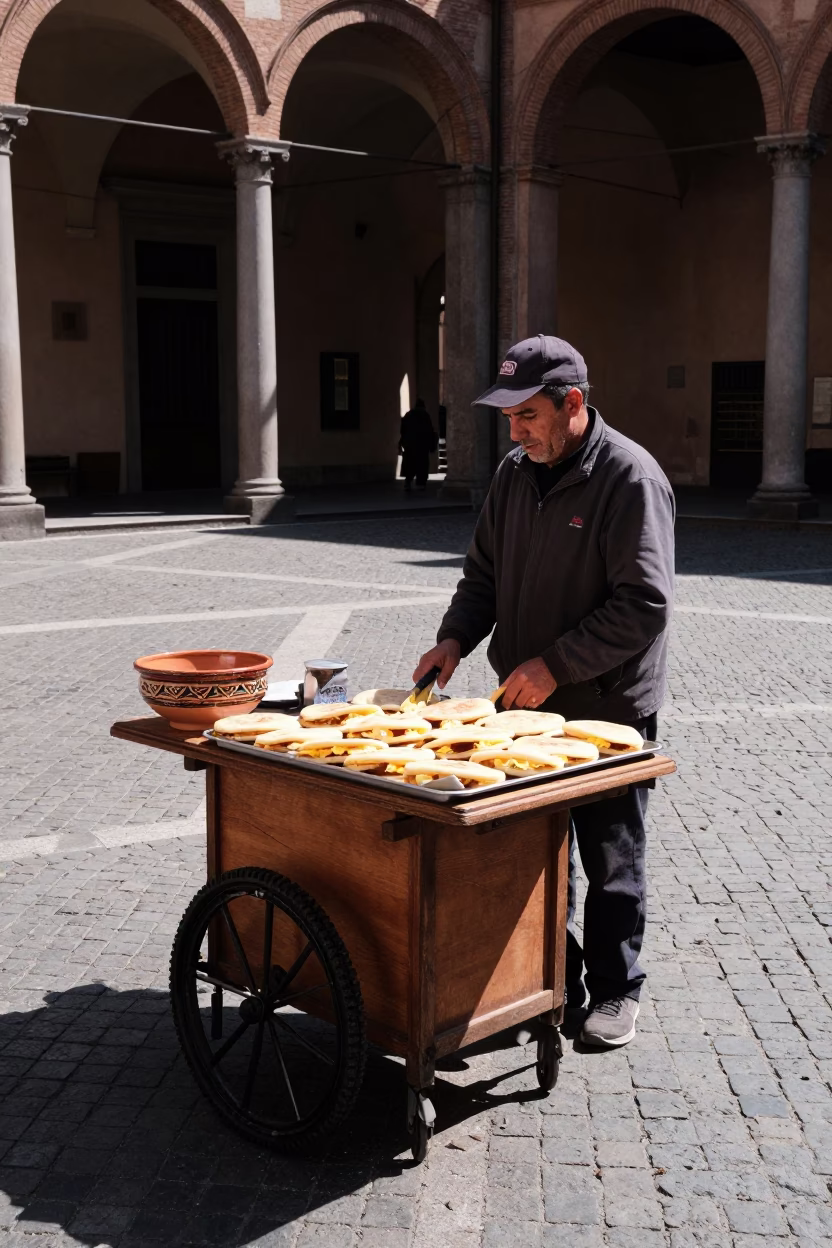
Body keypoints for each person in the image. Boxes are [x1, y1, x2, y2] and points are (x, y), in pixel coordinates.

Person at [412, 335, 675, 1047]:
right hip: (524, 710)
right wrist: (455, 638)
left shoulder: (630, 479)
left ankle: (618, 991)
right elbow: (483, 575)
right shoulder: (513, 473)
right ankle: (553, 983)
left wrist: (557, 664)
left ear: (573, 405)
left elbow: (643, 605)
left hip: (606, 709)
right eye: (508, 418)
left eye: (527, 415)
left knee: (610, 857)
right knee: (534, 858)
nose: (516, 430)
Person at [399, 398, 438, 491]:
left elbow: (403, 430)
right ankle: (420, 483)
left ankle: (408, 481)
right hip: (422, 446)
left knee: (410, 464)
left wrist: (402, 442)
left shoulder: (408, 415)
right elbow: (429, 431)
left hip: (410, 445)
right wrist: (431, 445)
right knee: (422, 465)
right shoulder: (425, 416)